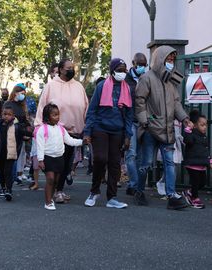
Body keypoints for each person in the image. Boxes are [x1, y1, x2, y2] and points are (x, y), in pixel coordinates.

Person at [135, 45, 194, 210]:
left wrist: (185, 119)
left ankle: (171, 195)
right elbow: (139, 101)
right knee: (146, 164)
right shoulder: (146, 78)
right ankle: (139, 191)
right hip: (150, 130)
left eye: (172, 60)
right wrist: (145, 120)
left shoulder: (171, 81)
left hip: (167, 130)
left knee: (169, 163)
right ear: (159, 59)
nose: (170, 62)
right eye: (168, 59)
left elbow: (176, 104)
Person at [35, 58, 88, 203]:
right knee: (56, 163)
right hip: (54, 131)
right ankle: (53, 191)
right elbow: (42, 106)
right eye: (68, 68)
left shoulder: (79, 86)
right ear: (60, 69)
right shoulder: (51, 86)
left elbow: (85, 107)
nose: (71, 70)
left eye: (73, 67)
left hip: (74, 131)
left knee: (66, 164)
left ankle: (59, 190)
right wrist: (39, 125)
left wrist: (86, 128)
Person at [83, 58, 133, 209]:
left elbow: (129, 114)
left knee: (114, 163)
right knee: (100, 158)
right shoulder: (101, 86)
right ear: (112, 71)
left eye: (124, 70)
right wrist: (87, 132)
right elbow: (92, 111)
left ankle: (112, 197)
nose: (122, 73)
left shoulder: (127, 88)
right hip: (100, 128)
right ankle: (94, 191)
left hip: (118, 130)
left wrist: (128, 135)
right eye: (119, 70)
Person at [36, 103, 83, 210]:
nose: (57, 117)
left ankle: (51, 198)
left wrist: (82, 141)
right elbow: (40, 145)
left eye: (58, 114)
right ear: (47, 117)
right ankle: (48, 202)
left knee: (56, 181)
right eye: (54, 115)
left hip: (59, 158)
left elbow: (70, 141)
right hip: (48, 158)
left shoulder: (61, 129)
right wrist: (40, 160)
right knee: (50, 179)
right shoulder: (42, 129)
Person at [124, 53, 147, 196]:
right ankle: (134, 184)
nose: (142, 67)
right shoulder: (125, 80)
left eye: (144, 65)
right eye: (140, 64)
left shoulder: (147, 78)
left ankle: (137, 185)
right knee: (131, 155)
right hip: (130, 121)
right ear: (133, 63)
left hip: (144, 122)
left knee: (140, 156)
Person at [0, 106, 26, 201]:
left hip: (10, 153)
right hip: (0, 153)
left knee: (8, 172)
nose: (6, 116)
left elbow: (24, 133)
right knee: (1, 172)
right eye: (4, 114)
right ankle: (2, 187)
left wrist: (34, 132)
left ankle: (9, 190)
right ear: (1, 114)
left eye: (9, 114)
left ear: (13, 116)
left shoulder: (16, 126)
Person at [4, 83, 33, 184]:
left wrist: (29, 128)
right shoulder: (8, 104)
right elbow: (5, 118)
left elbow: (24, 120)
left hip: (20, 134)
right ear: (15, 93)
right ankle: (11, 177)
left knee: (16, 156)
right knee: (11, 156)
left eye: (24, 93)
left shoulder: (21, 106)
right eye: (22, 93)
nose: (23, 95)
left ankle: (14, 176)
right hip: (10, 133)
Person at [182, 110, 210, 209]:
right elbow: (187, 141)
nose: (205, 127)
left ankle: (189, 192)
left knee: (202, 182)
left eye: (205, 125)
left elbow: (204, 150)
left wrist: (208, 160)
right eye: (202, 125)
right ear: (195, 125)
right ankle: (194, 198)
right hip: (192, 163)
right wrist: (188, 130)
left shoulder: (204, 137)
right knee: (195, 182)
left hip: (201, 164)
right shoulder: (192, 134)